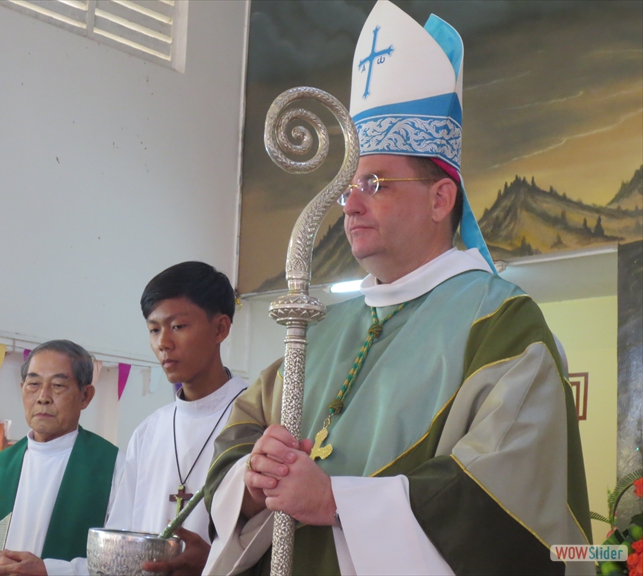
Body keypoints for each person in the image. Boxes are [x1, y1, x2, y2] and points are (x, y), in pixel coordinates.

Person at [203, 3, 592, 575]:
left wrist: (337, 501)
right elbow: (241, 429)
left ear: (440, 199)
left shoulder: (500, 324)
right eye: (348, 187)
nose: (350, 205)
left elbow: (507, 499)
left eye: (376, 183)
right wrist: (252, 479)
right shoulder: (322, 329)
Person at [105, 261, 248, 576]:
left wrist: (212, 561)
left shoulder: (254, 420)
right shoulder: (149, 431)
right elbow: (122, 535)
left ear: (220, 329)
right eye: (154, 329)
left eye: (178, 326)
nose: (163, 343)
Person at [0, 340, 123, 576]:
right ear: (22, 389)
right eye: (33, 384)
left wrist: (49, 571)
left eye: (58, 385)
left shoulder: (113, 467)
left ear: (85, 395)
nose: (43, 397)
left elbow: (125, 564)